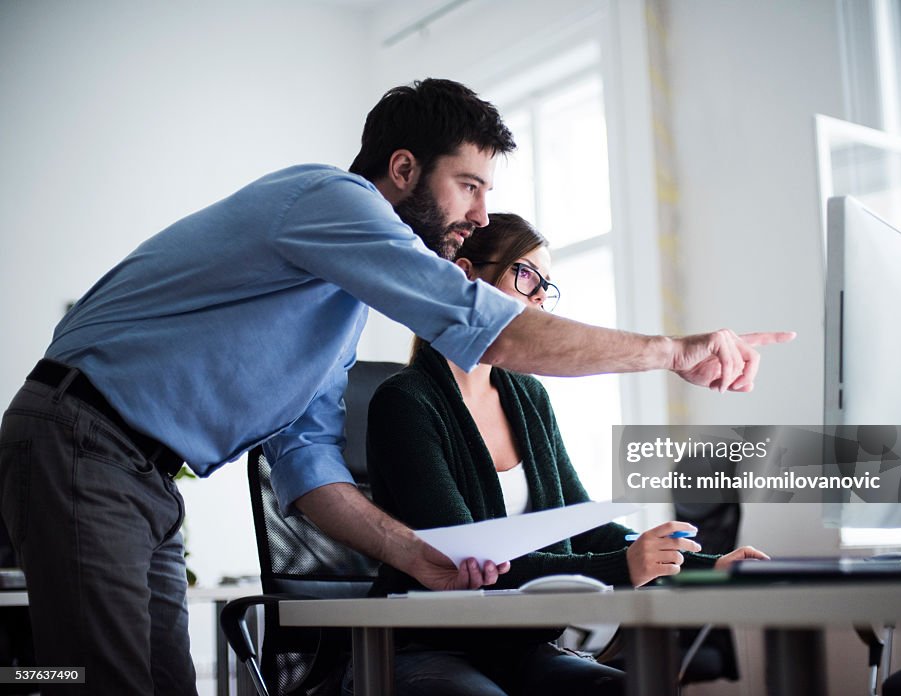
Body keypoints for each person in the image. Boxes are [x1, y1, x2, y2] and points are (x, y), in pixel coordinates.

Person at [0, 78, 792, 695]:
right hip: (85, 436)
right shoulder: (327, 200)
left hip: (145, 475)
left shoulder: (336, 316)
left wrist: (420, 557)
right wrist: (674, 351)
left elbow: (307, 468)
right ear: (405, 169)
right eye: (470, 185)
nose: (482, 214)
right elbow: (486, 325)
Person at [360, 213, 769, 696]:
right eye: (526, 274)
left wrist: (712, 566)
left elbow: (583, 525)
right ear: (467, 276)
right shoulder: (405, 402)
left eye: (546, 285)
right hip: (426, 648)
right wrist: (623, 565)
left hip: (521, 648)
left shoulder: (527, 396)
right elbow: (464, 565)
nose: (538, 297)